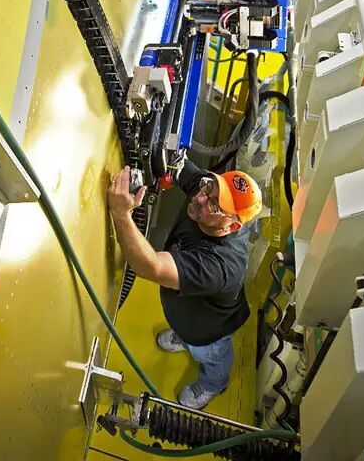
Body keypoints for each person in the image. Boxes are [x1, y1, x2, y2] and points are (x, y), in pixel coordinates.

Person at [108, 161, 262, 410]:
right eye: (208, 187)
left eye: (214, 205)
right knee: (186, 329)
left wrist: (120, 213)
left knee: (210, 356)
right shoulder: (204, 192)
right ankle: (183, 336)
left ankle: (213, 383)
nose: (200, 199)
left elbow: (150, 267)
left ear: (232, 226)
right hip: (188, 311)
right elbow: (178, 164)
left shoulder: (219, 266)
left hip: (208, 330)